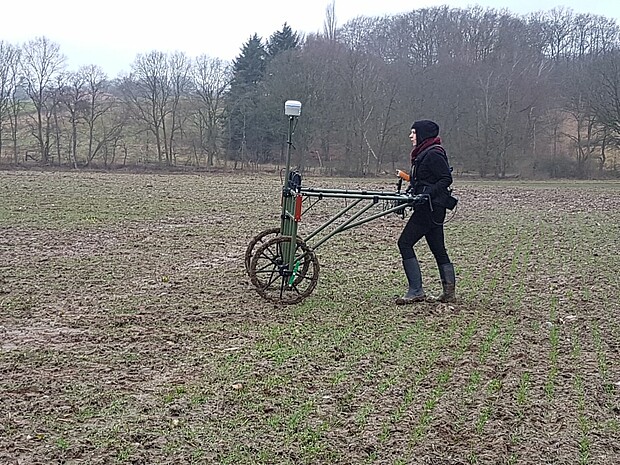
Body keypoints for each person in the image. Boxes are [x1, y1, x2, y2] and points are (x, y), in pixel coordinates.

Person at [396, 119, 456, 305]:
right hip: (429, 207)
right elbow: (425, 180)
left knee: (404, 242)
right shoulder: (423, 153)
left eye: (413, 133)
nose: (411, 136)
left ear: (422, 135)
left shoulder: (433, 154)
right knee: (438, 249)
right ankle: (448, 292)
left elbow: (446, 179)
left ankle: (415, 290)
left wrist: (426, 194)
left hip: (431, 208)